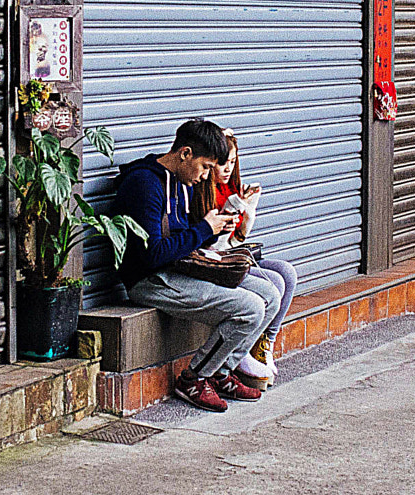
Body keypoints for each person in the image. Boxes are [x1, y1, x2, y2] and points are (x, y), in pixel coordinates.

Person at [113, 118, 281, 412]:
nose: (206, 176)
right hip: (151, 280)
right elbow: (152, 255)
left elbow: (187, 239)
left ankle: (220, 373)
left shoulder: (182, 183)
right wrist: (204, 229)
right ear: (185, 153)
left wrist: (219, 228)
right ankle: (193, 378)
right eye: (205, 167)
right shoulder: (144, 184)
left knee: (269, 294)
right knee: (250, 308)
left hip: (184, 268)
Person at [193, 129, 299, 386]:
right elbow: (214, 246)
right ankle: (237, 357)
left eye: (233, 162)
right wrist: (235, 208)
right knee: (272, 284)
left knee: (287, 273)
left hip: (234, 253)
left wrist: (248, 210)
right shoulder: (203, 191)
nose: (228, 169)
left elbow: (238, 239)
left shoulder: (230, 188)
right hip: (217, 262)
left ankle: (263, 345)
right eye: (221, 163)